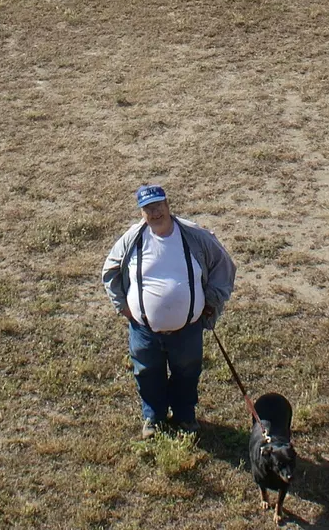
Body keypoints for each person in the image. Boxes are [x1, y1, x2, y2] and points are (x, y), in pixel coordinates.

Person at [101, 184, 236, 438]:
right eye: (148, 208)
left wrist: (211, 301)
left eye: (158, 206)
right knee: (147, 373)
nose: (155, 213)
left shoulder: (194, 236)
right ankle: (154, 418)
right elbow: (110, 272)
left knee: (187, 373)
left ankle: (185, 416)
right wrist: (124, 308)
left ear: (168, 205)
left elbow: (223, 265)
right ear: (142, 212)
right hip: (144, 332)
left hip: (188, 330)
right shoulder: (132, 239)